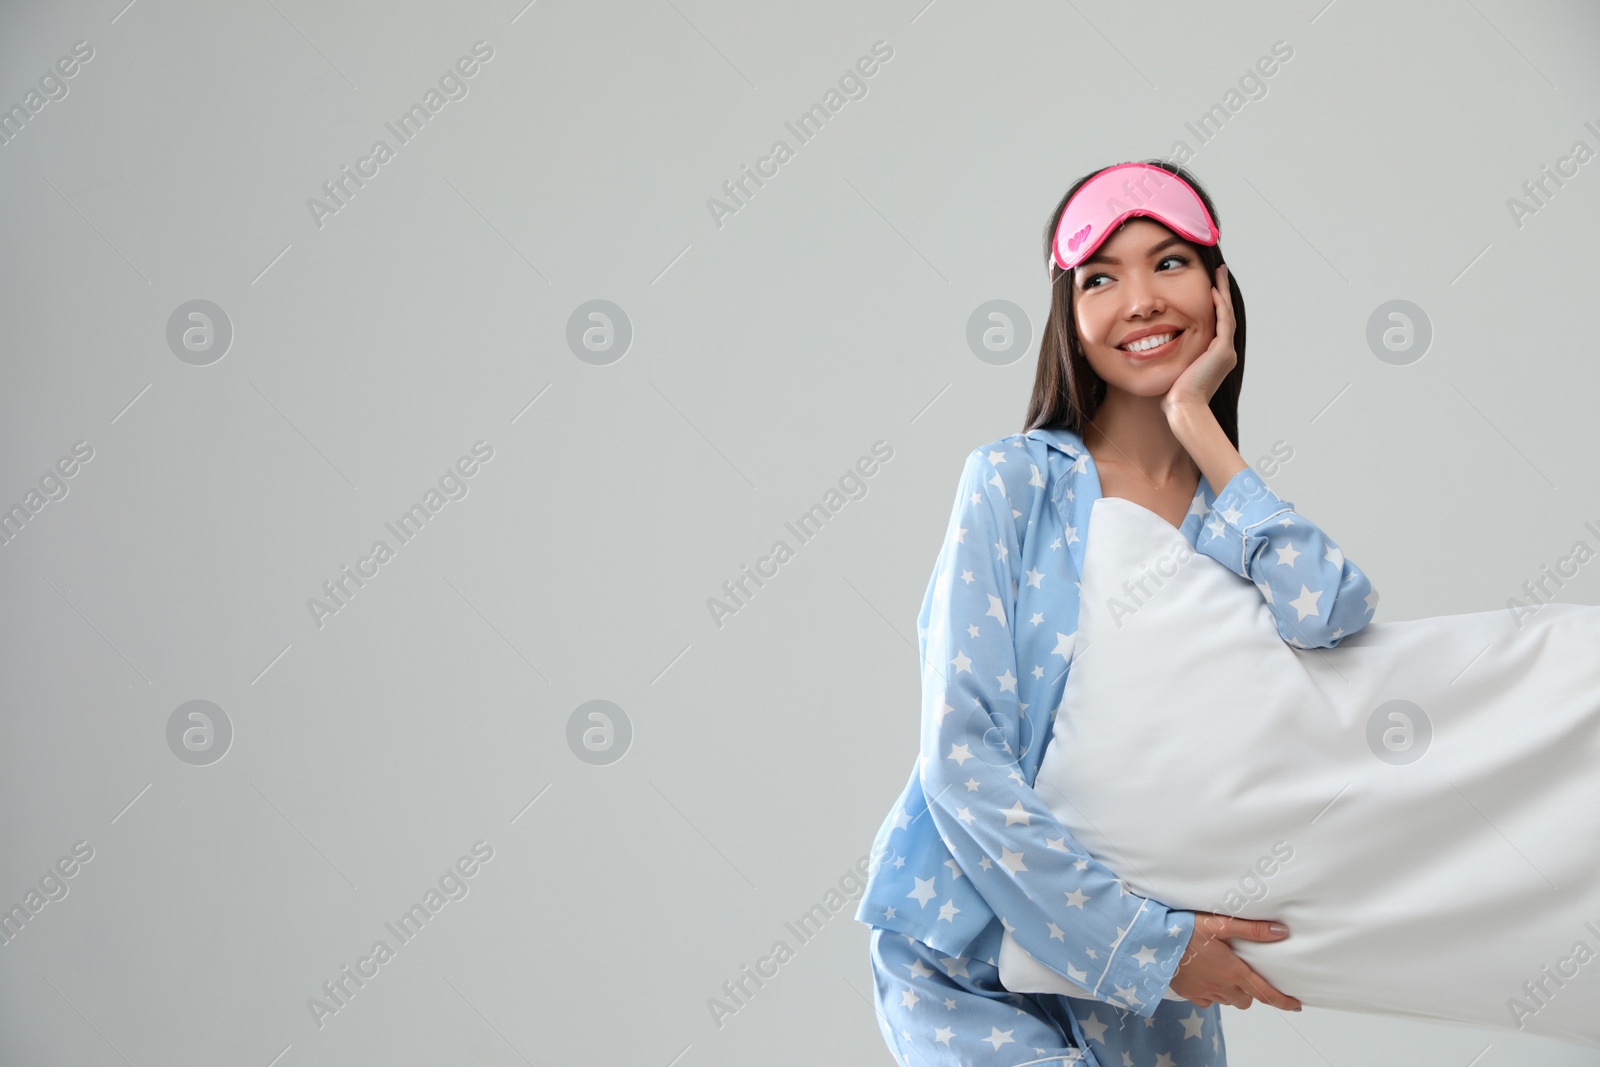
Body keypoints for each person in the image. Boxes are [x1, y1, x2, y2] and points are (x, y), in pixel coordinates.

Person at [854, 160, 1377, 1066]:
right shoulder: (1012, 482)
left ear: (1221, 292)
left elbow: (1332, 614)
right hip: (973, 941)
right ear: (1070, 317)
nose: (1139, 299)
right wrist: (1148, 947)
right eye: (1100, 276)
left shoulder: (1232, 525)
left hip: (1154, 971)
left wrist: (1200, 426)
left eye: (1169, 263)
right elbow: (961, 750)